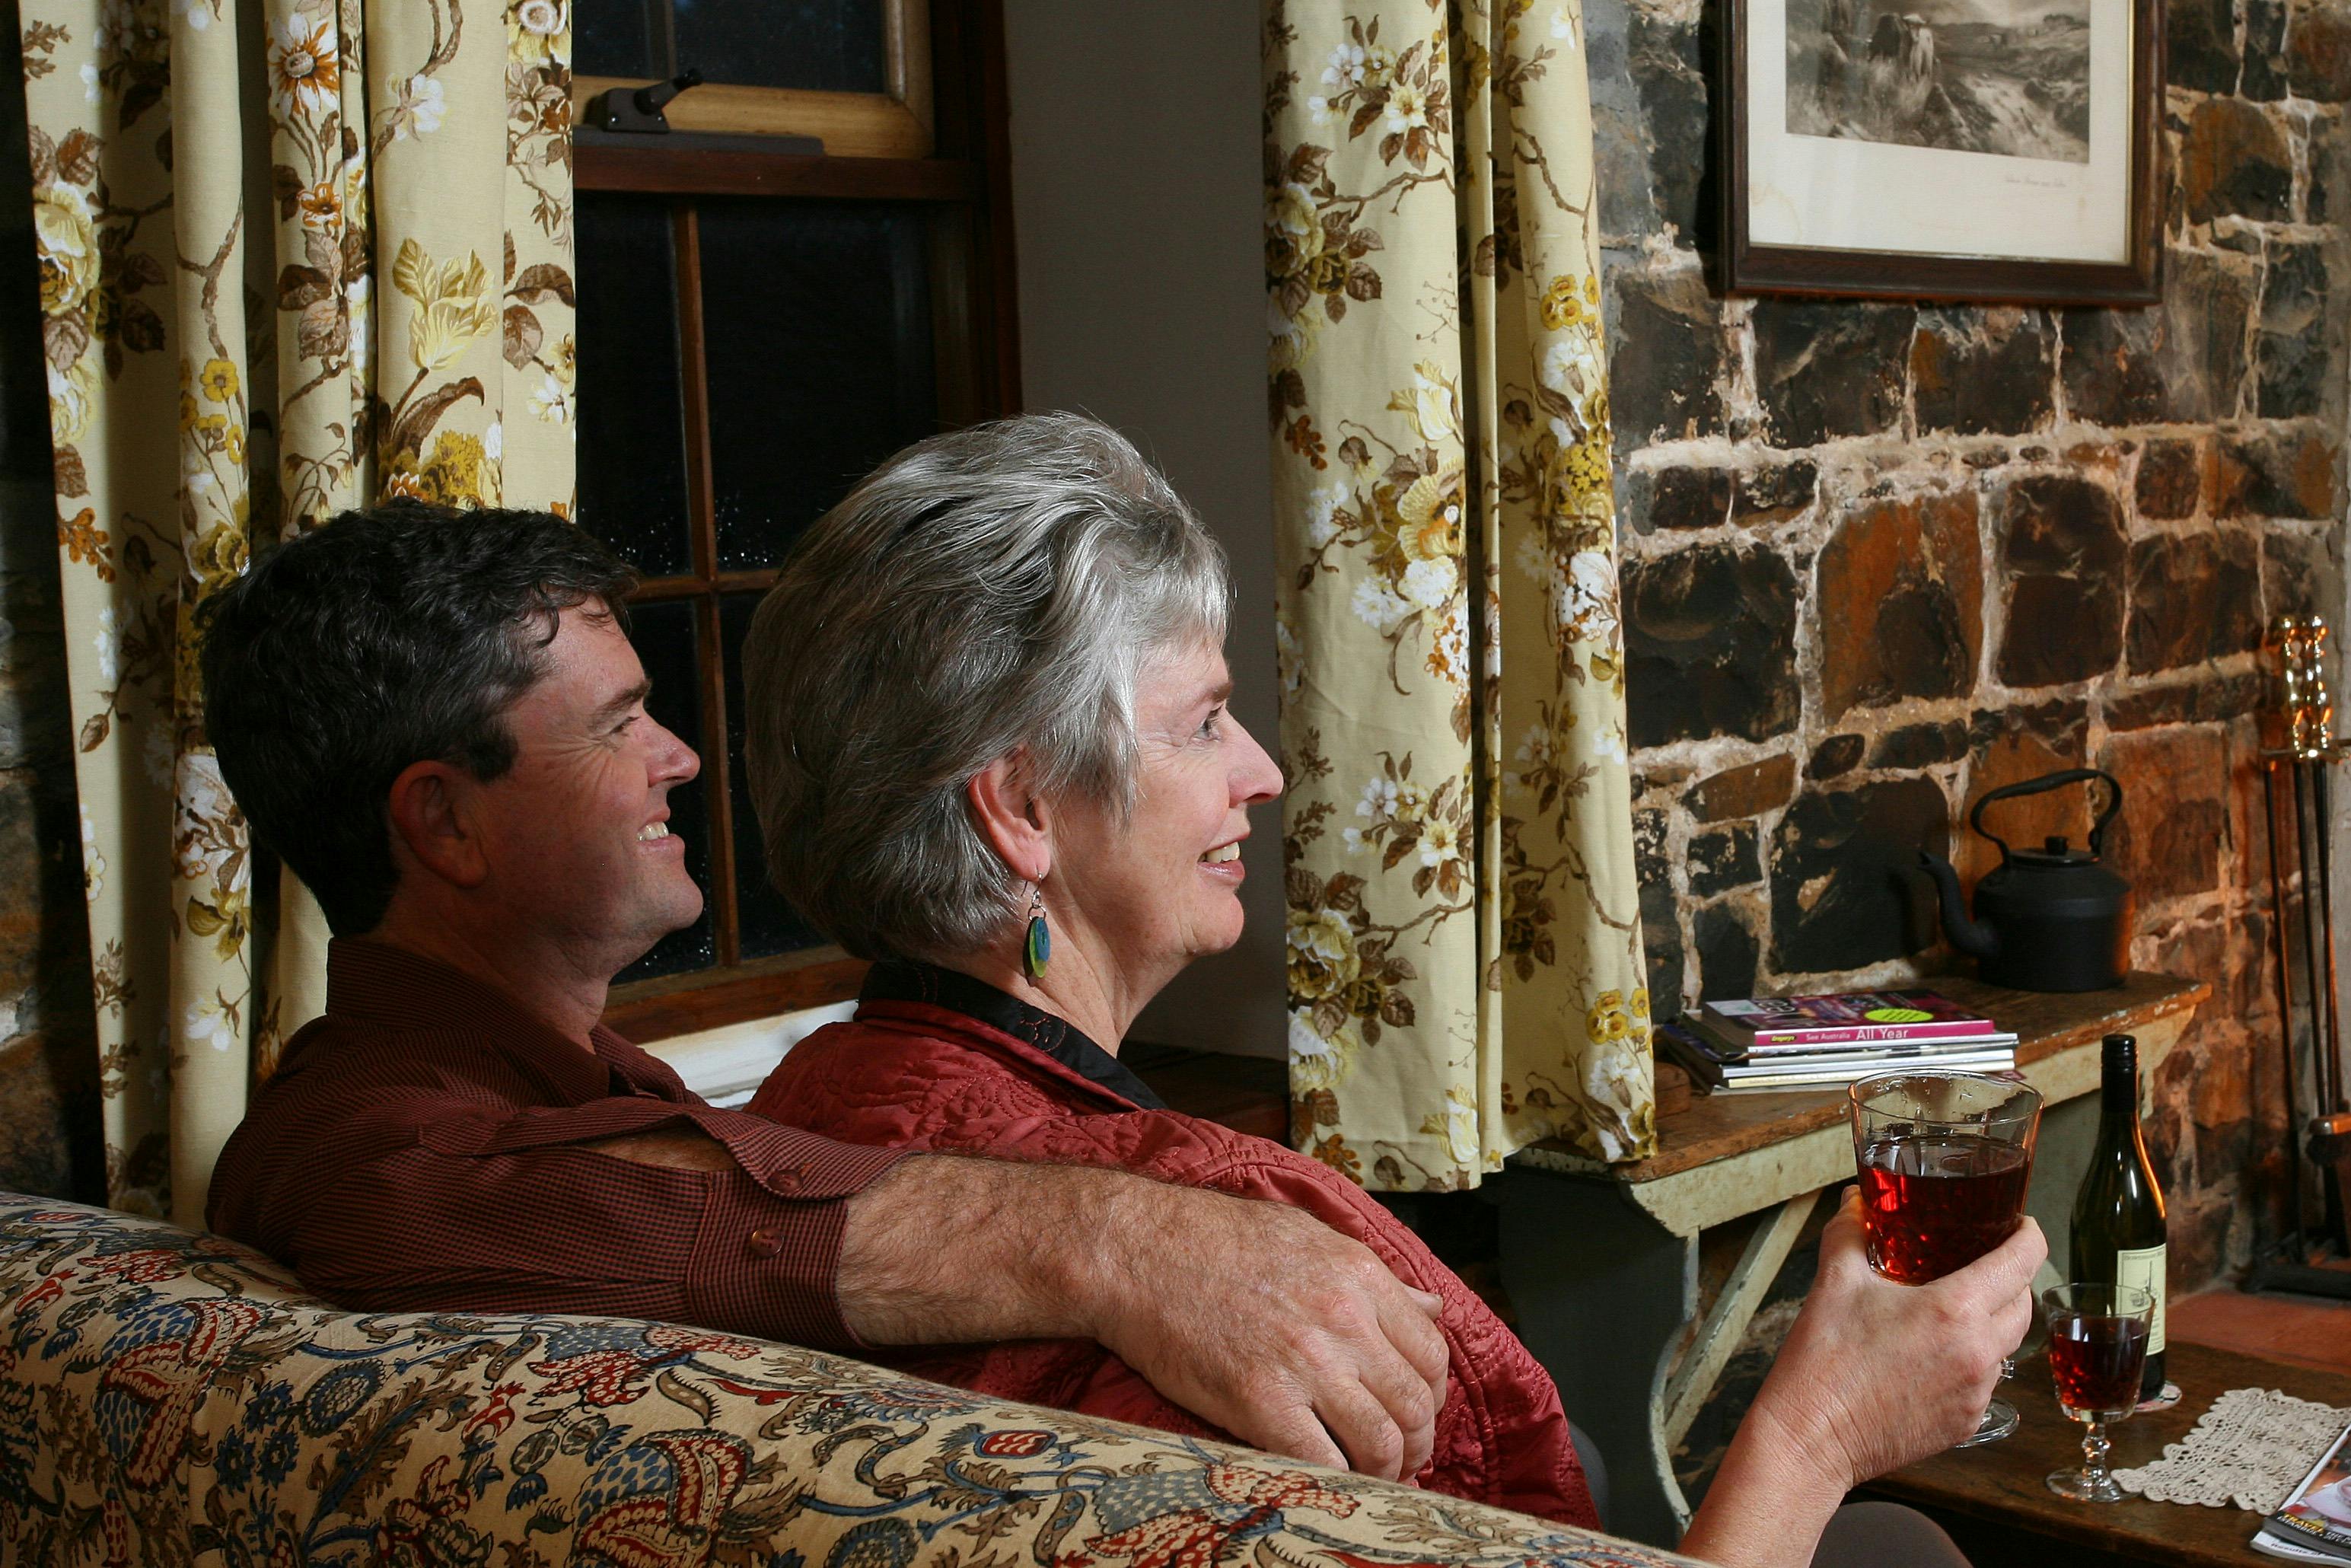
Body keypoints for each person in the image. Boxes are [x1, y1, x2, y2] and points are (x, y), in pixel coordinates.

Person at [741, 416, 2040, 1568]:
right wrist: (1818, 1427)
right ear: (1024, 807)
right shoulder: (1228, 1270)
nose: (1259, 769)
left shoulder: (788, 1134)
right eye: (1201, 721)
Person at [197, 502, 1455, 1484]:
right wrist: (1117, 1239)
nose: (678, 758)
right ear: (445, 823)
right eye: (618, 725)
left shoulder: (590, 1076)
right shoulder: (354, 1135)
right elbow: (429, 1198)